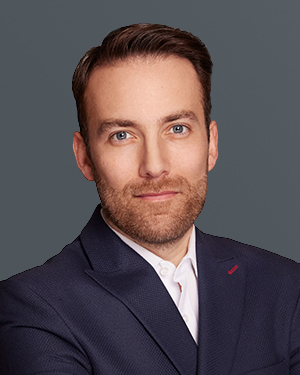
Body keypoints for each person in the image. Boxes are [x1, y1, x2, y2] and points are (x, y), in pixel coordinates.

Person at [0, 23, 299, 375]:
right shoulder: (31, 307)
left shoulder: (284, 285)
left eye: (177, 129)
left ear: (212, 144)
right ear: (84, 157)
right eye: (122, 135)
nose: (154, 166)